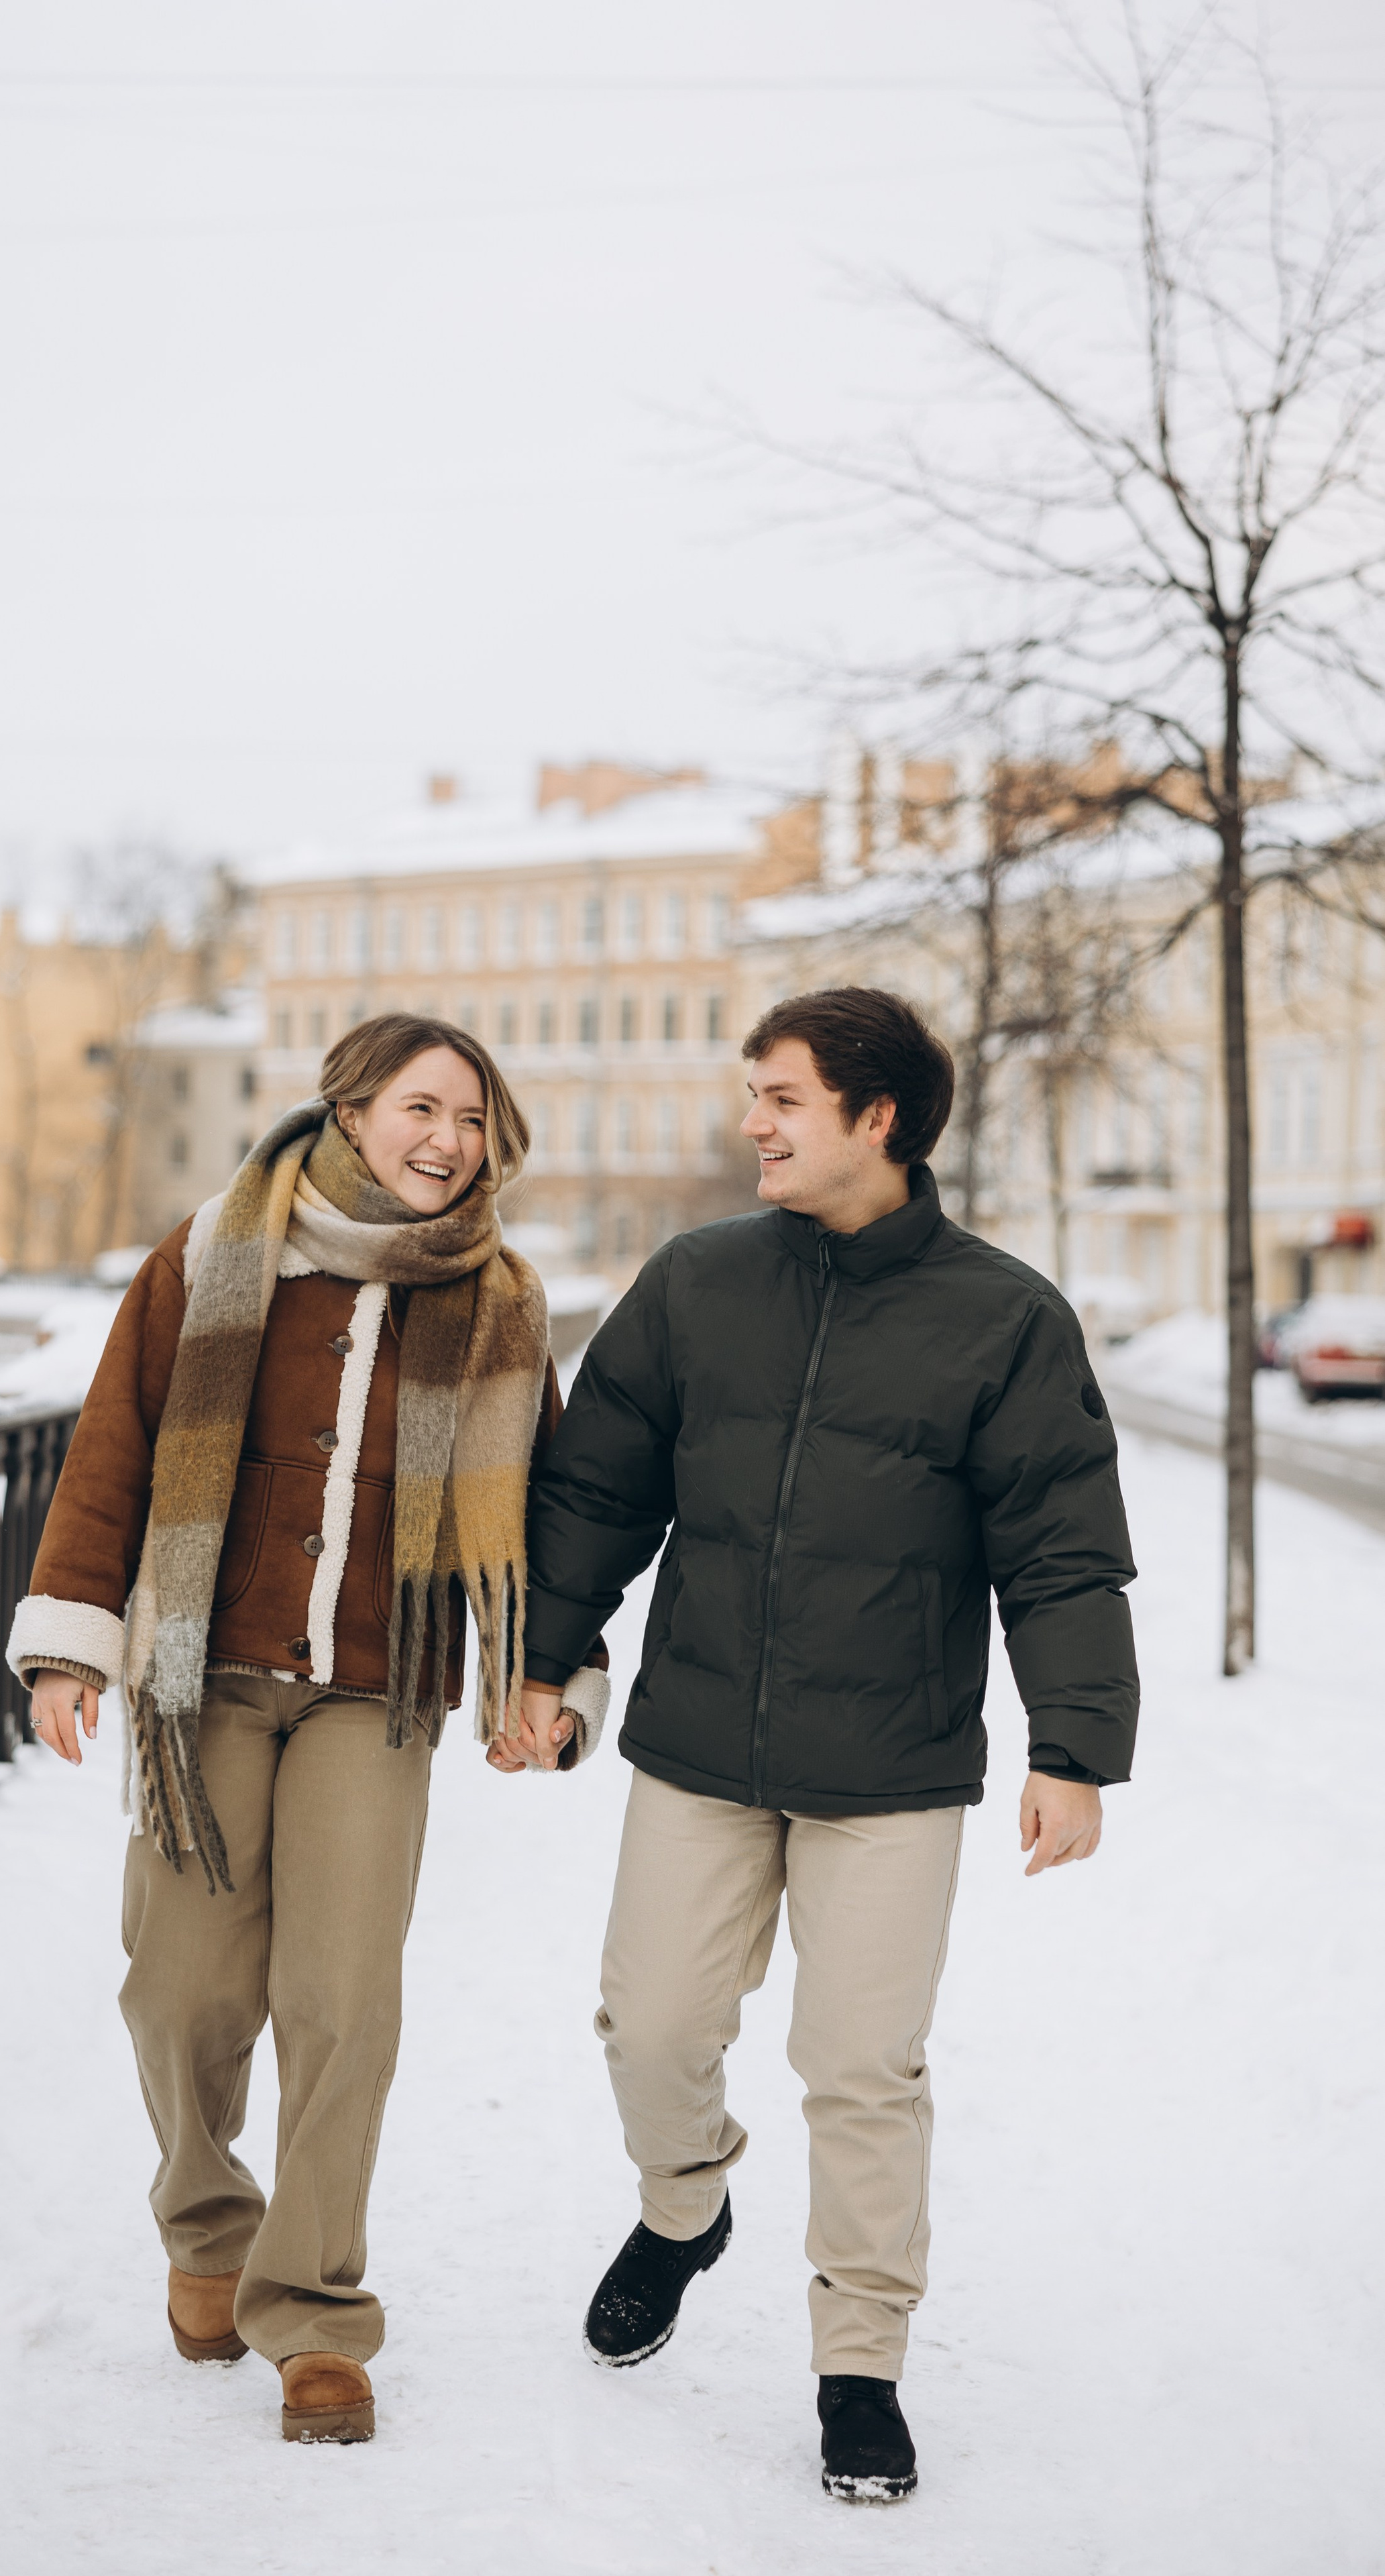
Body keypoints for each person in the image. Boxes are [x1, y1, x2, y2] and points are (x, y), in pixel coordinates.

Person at [508, 985, 1138, 2503]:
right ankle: (681, 2210)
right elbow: (598, 1489)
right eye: (751, 1092)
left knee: (861, 2069)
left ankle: (858, 2362)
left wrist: (1075, 1743)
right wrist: (542, 1657)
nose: (752, 1124)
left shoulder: (1002, 1318)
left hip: (893, 1769)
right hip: (702, 1741)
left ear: (879, 1119)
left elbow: (1057, 1549)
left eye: (781, 1096)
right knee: (651, 2027)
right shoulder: (697, 1282)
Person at [6, 1014, 608, 2447]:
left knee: (341, 2001)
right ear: (348, 1111)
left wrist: (548, 1684)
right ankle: (207, 2229)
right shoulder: (212, 1257)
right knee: (183, 1986)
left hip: (371, 1690)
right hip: (199, 1674)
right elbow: (115, 1448)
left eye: (470, 1118)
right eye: (420, 1108)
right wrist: (67, 1646)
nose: (447, 1141)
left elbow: (545, 1518)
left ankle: (317, 2316)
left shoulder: (500, 1305)